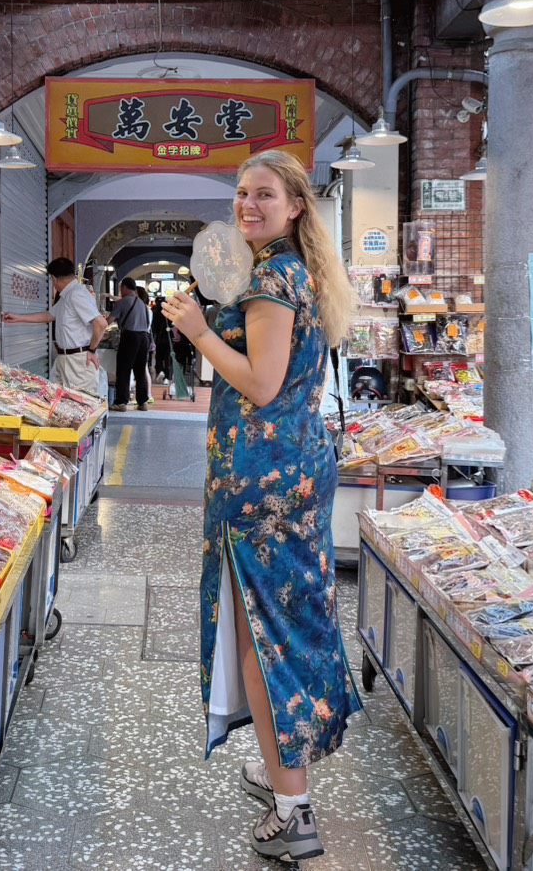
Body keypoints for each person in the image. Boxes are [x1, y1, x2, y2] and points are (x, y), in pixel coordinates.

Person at [162, 149, 359, 863]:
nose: (248, 205)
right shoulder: (291, 271)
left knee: (263, 639)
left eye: (265, 195)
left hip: (264, 487)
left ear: (296, 205)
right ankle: (283, 772)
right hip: (290, 474)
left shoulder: (272, 280)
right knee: (289, 625)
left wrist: (199, 331)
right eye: (242, 194)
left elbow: (262, 383)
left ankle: (294, 810)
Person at [2, 257, 106, 395]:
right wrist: (18, 318)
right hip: (65, 359)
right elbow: (49, 316)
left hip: (79, 361)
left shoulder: (77, 294)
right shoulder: (67, 296)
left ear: (54, 278)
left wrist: (92, 350)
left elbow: (101, 324)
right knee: (64, 403)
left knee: (81, 403)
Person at [110, 277, 152, 412]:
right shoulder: (143, 304)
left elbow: (108, 320)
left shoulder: (122, 302)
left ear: (124, 287)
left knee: (123, 369)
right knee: (140, 371)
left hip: (130, 337)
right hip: (144, 338)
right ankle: (143, 402)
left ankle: (121, 402)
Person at [151, 295, 171, 382]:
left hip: (158, 338)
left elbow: (153, 327)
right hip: (168, 338)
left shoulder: (154, 312)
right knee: (167, 358)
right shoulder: (168, 313)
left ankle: (160, 372)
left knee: (158, 357)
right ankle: (167, 376)